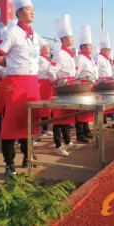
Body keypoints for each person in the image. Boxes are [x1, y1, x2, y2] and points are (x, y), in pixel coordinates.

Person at [0, 0, 41, 178]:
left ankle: (27, 156)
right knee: (12, 125)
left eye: (33, 10)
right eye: (28, 10)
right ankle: (9, 163)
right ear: (19, 13)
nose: (32, 13)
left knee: (30, 123)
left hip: (32, 84)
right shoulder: (12, 32)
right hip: (16, 84)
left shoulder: (34, 36)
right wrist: (11, 66)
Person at [47, 14, 80, 156]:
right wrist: (58, 82)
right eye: (71, 37)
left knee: (67, 117)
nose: (73, 39)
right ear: (64, 38)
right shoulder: (60, 54)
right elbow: (50, 71)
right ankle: (58, 145)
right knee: (59, 119)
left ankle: (68, 141)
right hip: (61, 90)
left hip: (70, 89)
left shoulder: (69, 54)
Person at [74, 25, 98, 143]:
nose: (91, 47)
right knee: (81, 111)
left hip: (89, 87)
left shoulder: (90, 58)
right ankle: (80, 133)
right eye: (89, 45)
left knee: (88, 110)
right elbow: (76, 74)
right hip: (82, 87)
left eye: (91, 45)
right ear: (83, 46)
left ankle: (87, 129)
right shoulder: (80, 58)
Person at [37, 36, 54, 137]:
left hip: (48, 83)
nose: (48, 48)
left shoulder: (48, 59)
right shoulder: (39, 58)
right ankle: (41, 128)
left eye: (48, 46)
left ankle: (45, 128)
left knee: (47, 107)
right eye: (46, 46)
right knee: (42, 106)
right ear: (41, 48)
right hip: (41, 83)